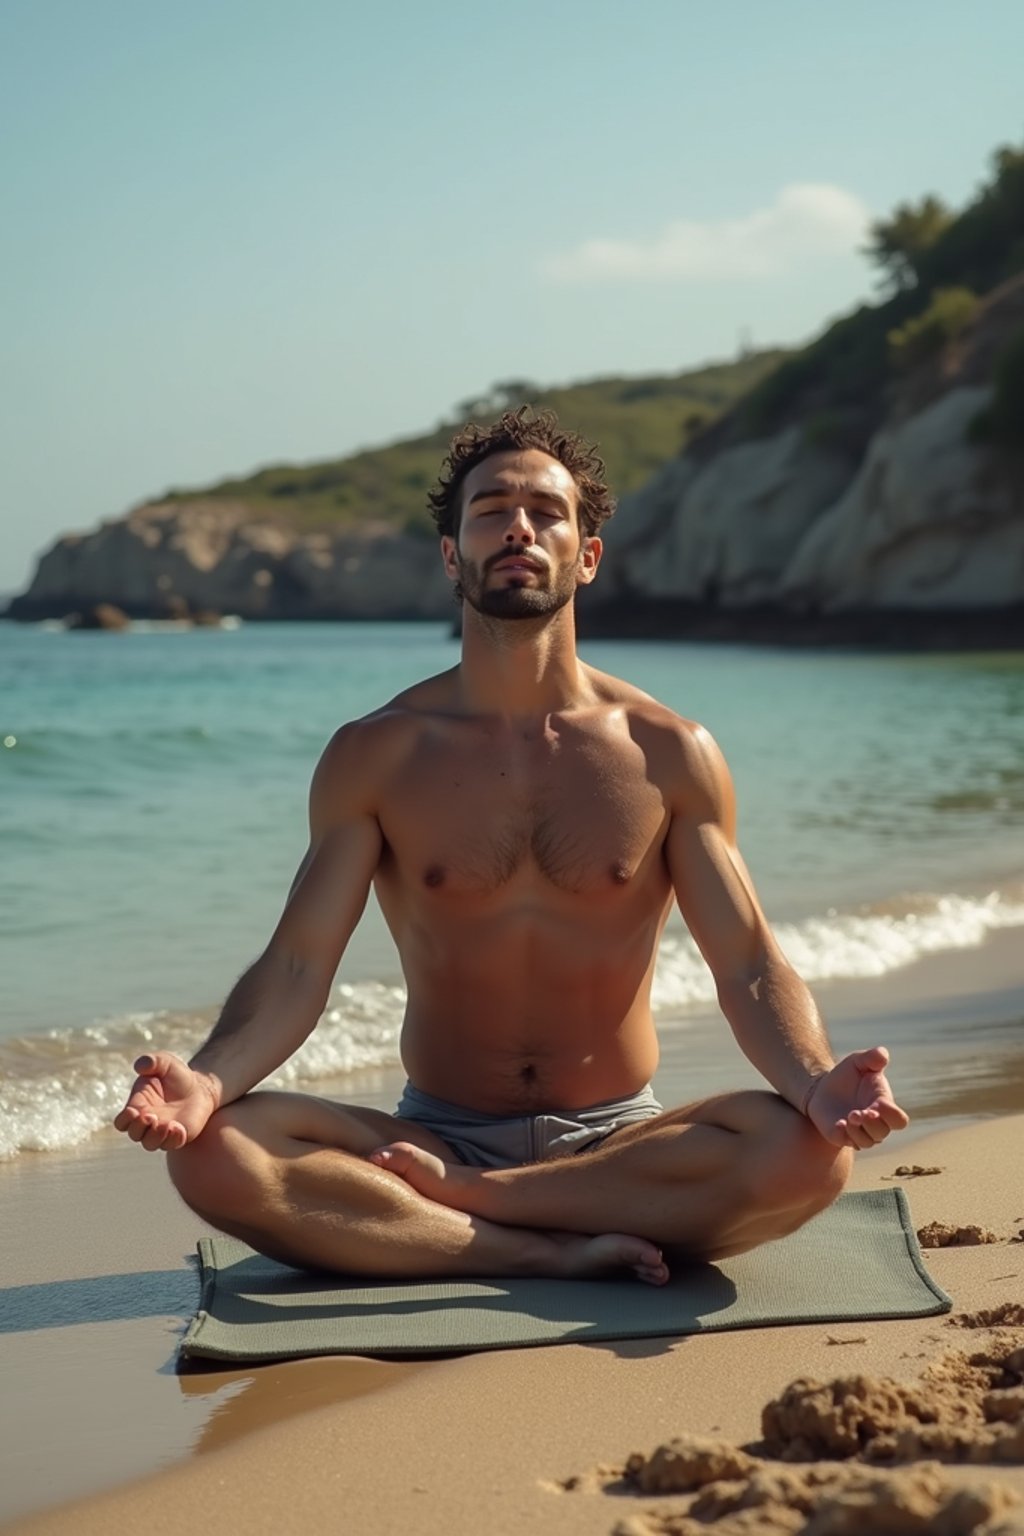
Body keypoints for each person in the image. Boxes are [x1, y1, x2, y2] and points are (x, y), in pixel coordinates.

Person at [114, 409, 908, 1286]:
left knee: (805, 1154)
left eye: (545, 510)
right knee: (215, 1153)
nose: (519, 526)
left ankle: (480, 1207)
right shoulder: (377, 754)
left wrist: (813, 1084)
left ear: (588, 555)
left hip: (619, 1141)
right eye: (491, 510)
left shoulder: (670, 752)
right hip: (431, 1132)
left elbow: (750, 966)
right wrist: (211, 1083)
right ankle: (537, 1248)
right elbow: (299, 968)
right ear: (453, 555)